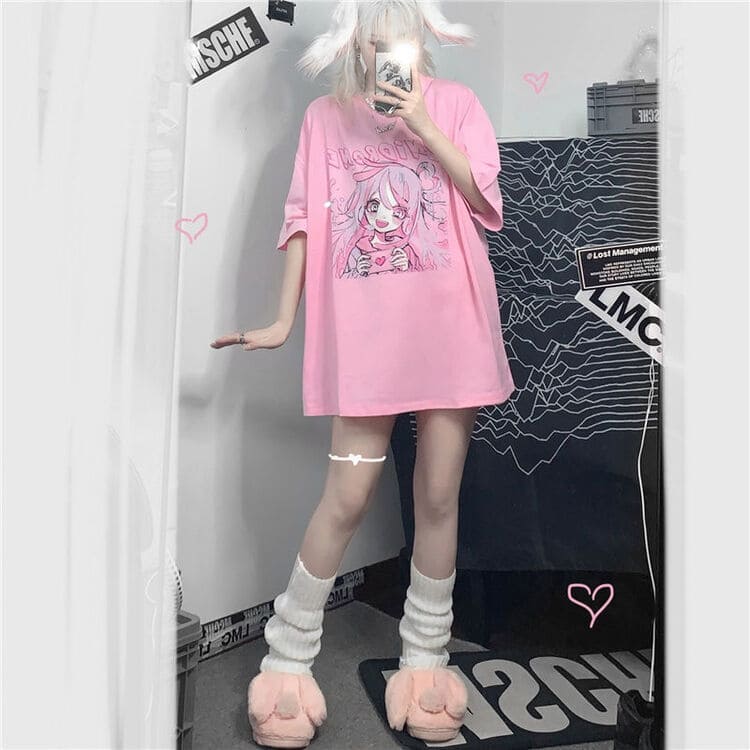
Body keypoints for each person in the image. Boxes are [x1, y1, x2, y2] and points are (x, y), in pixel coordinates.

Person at [211, 1, 516, 746]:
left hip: (449, 334)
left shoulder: (457, 105)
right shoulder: (324, 120)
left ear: (420, 35)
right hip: (367, 347)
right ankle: (287, 659)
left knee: (437, 494)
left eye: (398, 32)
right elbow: (302, 221)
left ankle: (425, 660)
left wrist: (423, 124)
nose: (386, 48)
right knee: (347, 494)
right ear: (354, 41)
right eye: (372, 35)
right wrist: (282, 320)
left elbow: (484, 200)